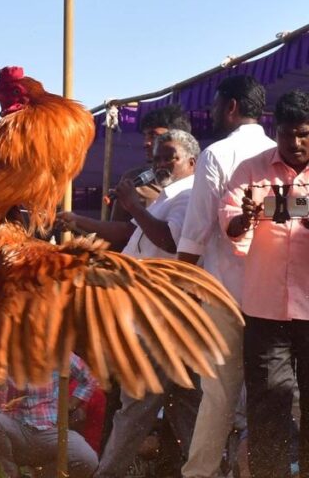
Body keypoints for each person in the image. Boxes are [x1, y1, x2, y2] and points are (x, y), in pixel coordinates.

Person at [176, 75, 274, 478]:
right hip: (273, 295)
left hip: (222, 293)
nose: (213, 112)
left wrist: (174, 289)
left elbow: (195, 233)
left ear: (231, 107)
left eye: (216, 105)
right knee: (269, 393)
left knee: (218, 394)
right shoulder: (280, 152)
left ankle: (200, 473)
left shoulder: (216, 154)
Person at [93, 129, 203, 478]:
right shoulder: (165, 197)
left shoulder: (188, 195)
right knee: (185, 406)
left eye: (168, 156)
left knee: (137, 407)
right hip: (152, 313)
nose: (161, 163)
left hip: (164, 316)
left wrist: (134, 207)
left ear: (191, 161)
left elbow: (170, 241)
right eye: (156, 157)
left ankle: (106, 473)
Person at [220, 90, 309, 478]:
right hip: (265, 309)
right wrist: (244, 219)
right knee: (267, 406)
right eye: (288, 134)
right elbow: (229, 224)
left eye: (304, 134)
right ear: (276, 131)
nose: (296, 143)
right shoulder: (252, 169)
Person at [59, 104, 193, 250]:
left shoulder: (196, 185)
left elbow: (170, 241)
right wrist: (76, 223)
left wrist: (78, 220)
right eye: (146, 135)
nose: (146, 143)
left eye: (155, 136)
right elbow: (120, 235)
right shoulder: (134, 180)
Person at [0, 354, 99, 478]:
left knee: (88, 460)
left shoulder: (56, 351)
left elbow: (89, 378)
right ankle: (12, 473)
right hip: (15, 433)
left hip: (50, 433)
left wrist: (70, 406)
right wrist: (0, 382)